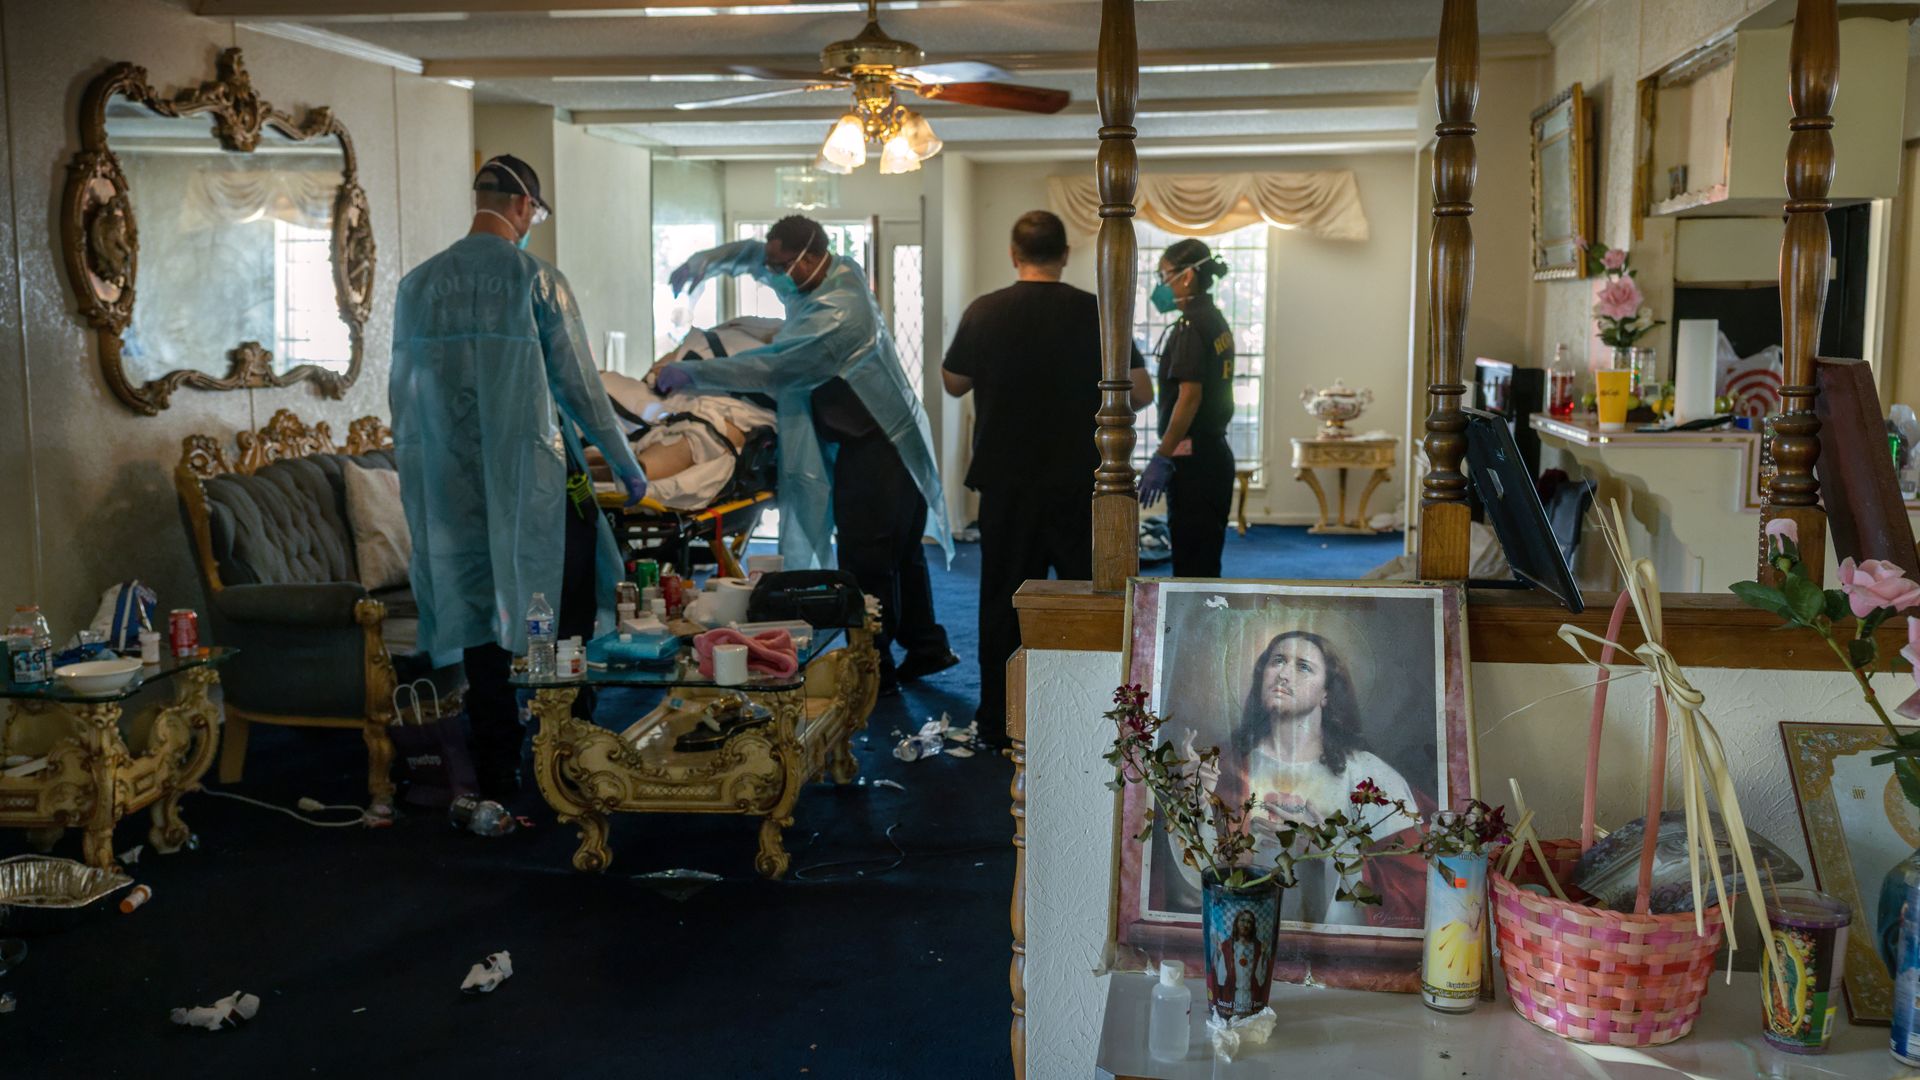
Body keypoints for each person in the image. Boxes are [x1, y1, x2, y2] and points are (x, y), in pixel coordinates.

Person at [389, 155, 647, 798]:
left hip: (449, 482)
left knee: (477, 610)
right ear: (525, 205)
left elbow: (403, 394)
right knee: (563, 604)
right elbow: (582, 389)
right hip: (539, 476)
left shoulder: (417, 286)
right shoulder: (537, 279)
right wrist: (626, 465)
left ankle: (497, 764)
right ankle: (572, 750)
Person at [658, 216, 957, 692]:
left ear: (811, 258)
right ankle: (926, 646)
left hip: (879, 441)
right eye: (773, 265)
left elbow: (772, 368)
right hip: (867, 435)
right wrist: (705, 262)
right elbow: (755, 255)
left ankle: (871, 664)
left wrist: (695, 375)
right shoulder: (828, 272)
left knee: (871, 554)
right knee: (899, 551)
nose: (773, 273)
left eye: (782, 266)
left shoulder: (839, 313)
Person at [941, 210, 1151, 743]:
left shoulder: (985, 311)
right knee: (1092, 598)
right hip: (1084, 480)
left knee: (1002, 600)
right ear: (1065, 255)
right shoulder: (1097, 311)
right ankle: (1101, 722)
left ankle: (996, 720)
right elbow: (1144, 392)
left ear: (1014, 254)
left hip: (1007, 481)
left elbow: (952, 382)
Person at [1206, 630, 1426, 928]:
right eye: (1278, 661)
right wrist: (1195, 802)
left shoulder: (1369, 776)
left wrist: (1327, 848)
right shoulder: (1225, 768)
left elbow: (1407, 882)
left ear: (1327, 693)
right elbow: (1190, 889)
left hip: (1332, 952)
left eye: (1303, 666)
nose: (1283, 674)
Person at [1138, 239, 1237, 578]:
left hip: (1194, 465)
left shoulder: (1190, 327)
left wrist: (1163, 455)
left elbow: (1189, 397)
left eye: (1164, 275)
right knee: (1205, 562)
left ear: (1187, 276)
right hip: (1213, 456)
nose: (1161, 285)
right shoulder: (1214, 319)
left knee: (1192, 568)